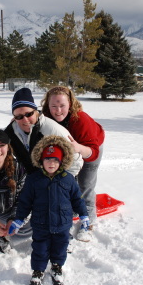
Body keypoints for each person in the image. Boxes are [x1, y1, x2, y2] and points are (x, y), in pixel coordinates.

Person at [8, 135, 90, 285]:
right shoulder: (34, 180)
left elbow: (77, 199)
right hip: (41, 223)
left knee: (60, 247)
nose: (51, 163)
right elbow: (25, 202)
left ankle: (57, 267)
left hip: (63, 224)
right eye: (47, 159)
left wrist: (84, 215)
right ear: (41, 160)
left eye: (55, 160)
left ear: (61, 161)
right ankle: (38, 271)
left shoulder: (68, 179)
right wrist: (19, 219)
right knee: (40, 248)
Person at [41, 86, 105, 241]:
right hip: (67, 151)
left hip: (89, 147)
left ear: (70, 103)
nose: (58, 111)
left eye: (62, 106)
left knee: (85, 183)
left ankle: (88, 221)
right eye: (54, 106)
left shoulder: (81, 120)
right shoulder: (45, 117)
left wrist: (79, 148)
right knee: (68, 182)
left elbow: (93, 153)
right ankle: (73, 209)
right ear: (47, 105)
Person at [4, 87, 83, 177]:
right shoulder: (10, 133)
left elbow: (75, 161)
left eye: (28, 114)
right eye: (19, 117)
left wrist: (63, 182)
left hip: (55, 181)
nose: (25, 120)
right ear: (14, 118)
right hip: (30, 183)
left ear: (36, 112)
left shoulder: (53, 130)